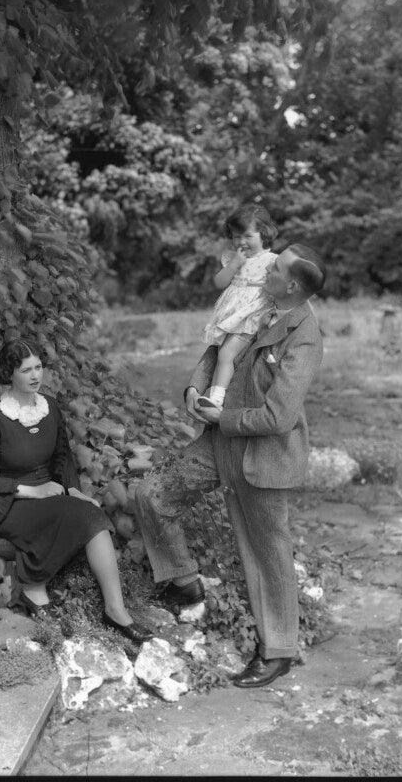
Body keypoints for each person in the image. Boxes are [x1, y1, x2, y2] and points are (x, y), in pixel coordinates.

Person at [135, 243, 326, 686]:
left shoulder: (305, 336)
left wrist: (224, 418)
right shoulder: (257, 301)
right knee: (153, 494)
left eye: (275, 268)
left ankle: (277, 651)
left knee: (266, 553)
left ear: (292, 284)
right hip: (217, 443)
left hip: (262, 456)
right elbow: (218, 347)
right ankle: (184, 580)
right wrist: (194, 388)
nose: (266, 268)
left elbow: (279, 417)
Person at [0, 338, 153, 643]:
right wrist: (33, 491)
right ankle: (33, 586)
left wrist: (74, 490)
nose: (35, 375)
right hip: (8, 501)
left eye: (39, 367)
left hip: (50, 493)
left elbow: (62, 458)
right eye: (26, 370)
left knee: (89, 511)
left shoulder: (49, 407)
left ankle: (116, 610)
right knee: (77, 514)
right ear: (9, 373)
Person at [197, 204, 278, 409]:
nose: (241, 242)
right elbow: (219, 283)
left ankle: (217, 398)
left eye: (248, 236)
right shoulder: (231, 258)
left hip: (252, 314)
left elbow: (279, 288)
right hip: (232, 314)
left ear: (264, 234)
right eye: (236, 236)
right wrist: (234, 265)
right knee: (224, 354)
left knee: (227, 354)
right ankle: (222, 394)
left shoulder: (271, 260)